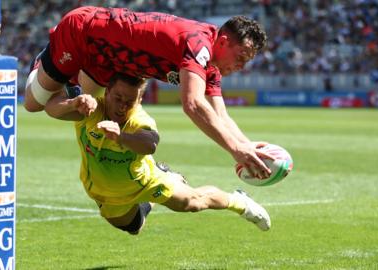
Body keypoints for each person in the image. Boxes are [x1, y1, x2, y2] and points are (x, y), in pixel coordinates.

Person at [24, 6, 272, 179]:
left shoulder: (210, 67)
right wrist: (235, 150)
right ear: (224, 40)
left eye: (246, 62)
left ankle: (64, 81)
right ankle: (44, 63)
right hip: (81, 33)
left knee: (87, 115)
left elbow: (221, 116)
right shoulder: (199, 45)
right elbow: (193, 104)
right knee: (33, 104)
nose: (241, 67)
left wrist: (247, 146)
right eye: (240, 57)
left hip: (106, 62)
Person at [47, 72, 271, 234]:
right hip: (107, 194)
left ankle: (239, 202)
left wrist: (121, 137)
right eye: (118, 98)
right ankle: (167, 176)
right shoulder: (90, 109)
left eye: (130, 101)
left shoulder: (140, 119)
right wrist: (72, 103)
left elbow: (149, 144)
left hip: (145, 181)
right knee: (133, 227)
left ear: (140, 100)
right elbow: (50, 108)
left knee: (192, 202)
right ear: (107, 92)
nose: (122, 106)